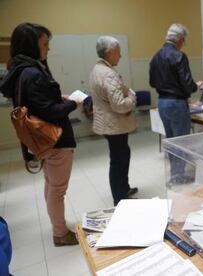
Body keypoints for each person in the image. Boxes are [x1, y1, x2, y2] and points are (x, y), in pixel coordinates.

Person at [0, 23, 82, 246]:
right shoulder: (33, 73)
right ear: (31, 45)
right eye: (45, 44)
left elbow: (39, 105)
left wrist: (59, 99)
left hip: (43, 142)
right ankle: (60, 233)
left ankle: (57, 225)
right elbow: (50, 112)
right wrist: (72, 104)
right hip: (56, 140)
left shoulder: (20, 70)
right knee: (57, 190)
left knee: (51, 185)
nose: (48, 49)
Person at [149, 23, 201, 183]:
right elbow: (187, 83)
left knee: (171, 140)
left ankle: (174, 173)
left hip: (162, 103)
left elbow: (152, 82)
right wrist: (195, 86)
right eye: (184, 40)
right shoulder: (179, 56)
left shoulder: (155, 56)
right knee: (181, 142)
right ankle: (178, 176)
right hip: (177, 103)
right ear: (179, 39)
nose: (183, 43)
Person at [89, 36, 138, 206]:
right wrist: (132, 98)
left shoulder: (97, 69)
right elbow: (119, 105)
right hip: (114, 124)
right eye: (118, 52)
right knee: (118, 160)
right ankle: (120, 198)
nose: (121, 55)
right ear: (109, 53)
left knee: (121, 155)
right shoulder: (108, 74)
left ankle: (123, 188)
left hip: (109, 123)